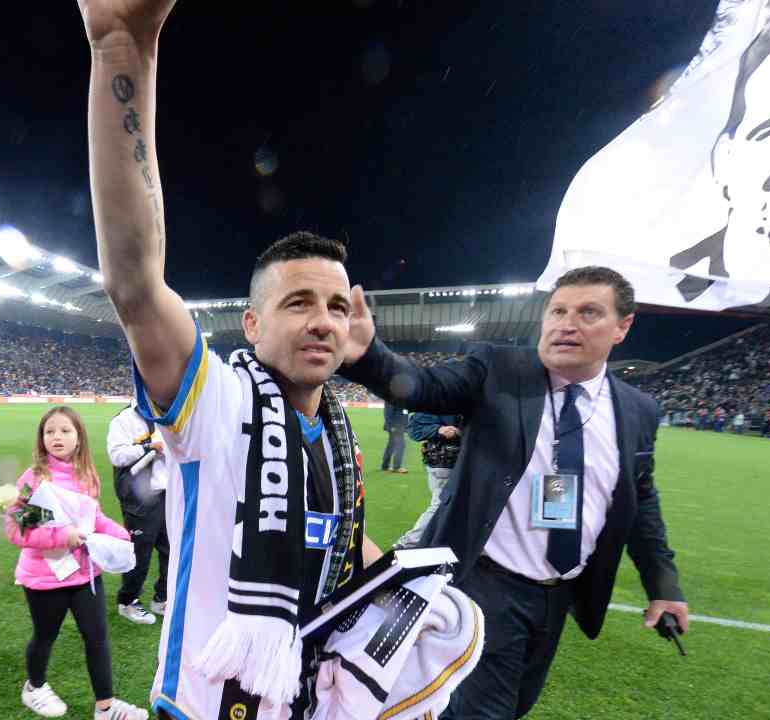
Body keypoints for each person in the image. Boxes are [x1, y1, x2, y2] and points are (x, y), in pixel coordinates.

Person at [75, 2, 483, 718]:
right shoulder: (218, 403)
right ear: (252, 323)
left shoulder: (337, 431)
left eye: (335, 305)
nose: (322, 321)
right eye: (298, 303)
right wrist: (121, 48)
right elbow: (135, 282)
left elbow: (338, 548)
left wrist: (408, 589)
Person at [339, 265, 689, 720]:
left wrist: (663, 585)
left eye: (588, 313)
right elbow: (423, 386)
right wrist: (369, 354)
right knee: (483, 713)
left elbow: (640, 501)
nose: (567, 323)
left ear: (623, 327)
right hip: (484, 583)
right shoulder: (498, 370)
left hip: (559, 594)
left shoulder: (639, 411)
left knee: (515, 705)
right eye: (558, 310)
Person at [5, 407, 148, 720]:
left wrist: (120, 534)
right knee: (45, 636)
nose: (57, 437)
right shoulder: (36, 478)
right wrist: (61, 536)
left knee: (97, 638)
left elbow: (93, 519)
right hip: (46, 577)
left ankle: (105, 708)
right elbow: (18, 528)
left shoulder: (86, 475)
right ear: (41, 439)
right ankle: (35, 687)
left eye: (65, 431)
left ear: (79, 438)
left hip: (85, 573)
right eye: (50, 431)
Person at [107, 402, 171, 625]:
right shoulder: (124, 419)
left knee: (171, 549)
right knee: (138, 553)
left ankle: (162, 598)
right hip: (139, 497)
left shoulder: (170, 414)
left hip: (168, 493)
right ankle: (128, 601)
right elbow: (116, 456)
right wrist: (150, 447)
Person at [393, 412, 461, 550]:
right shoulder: (448, 400)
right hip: (447, 464)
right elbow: (414, 430)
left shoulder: (435, 399)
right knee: (441, 504)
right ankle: (408, 543)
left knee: (449, 505)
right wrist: (439, 430)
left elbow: (413, 429)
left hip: (443, 463)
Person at [381, 401, 410, 473]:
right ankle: (397, 467)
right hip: (395, 426)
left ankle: (385, 466)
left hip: (400, 425)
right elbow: (387, 413)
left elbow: (405, 412)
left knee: (391, 445)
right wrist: (391, 426)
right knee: (401, 445)